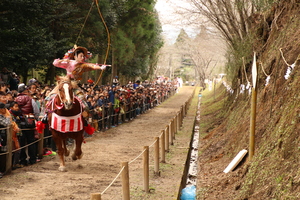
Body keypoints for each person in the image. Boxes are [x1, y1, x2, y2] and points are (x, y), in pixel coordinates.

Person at [15, 84, 39, 166]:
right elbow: (36, 112)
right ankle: (32, 159)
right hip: (29, 122)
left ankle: (23, 160)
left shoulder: (15, 100)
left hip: (19, 123)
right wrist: (36, 118)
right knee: (31, 141)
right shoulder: (30, 99)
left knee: (21, 142)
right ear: (25, 91)